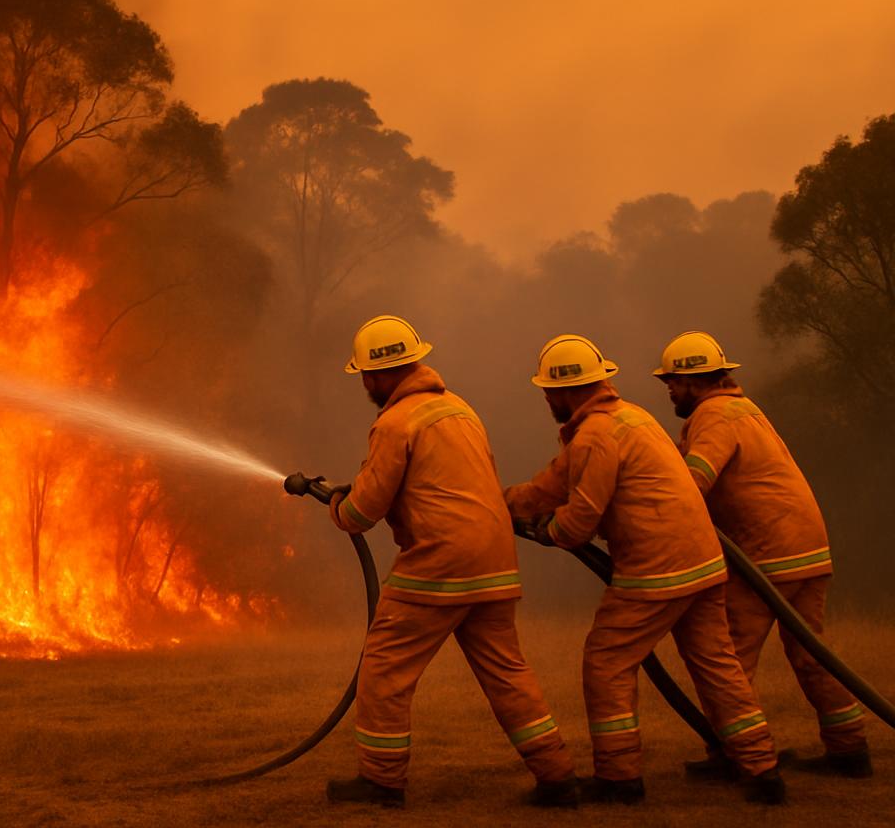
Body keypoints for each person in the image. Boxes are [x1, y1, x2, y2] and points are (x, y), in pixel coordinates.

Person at [505, 334, 785, 805]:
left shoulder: (596, 435)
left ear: (565, 391)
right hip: (702, 562)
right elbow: (548, 484)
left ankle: (619, 778)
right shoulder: (630, 418)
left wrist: (546, 531)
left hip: (658, 568)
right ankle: (761, 770)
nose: (546, 400)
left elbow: (579, 519)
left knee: (607, 661)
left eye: (548, 391)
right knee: (718, 666)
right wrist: (498, 505)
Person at [323, 315, 579, 809]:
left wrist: (339, 504)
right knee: (507, 672)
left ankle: (381, 781)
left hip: (440, 561)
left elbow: (362, 511)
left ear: (378, 375)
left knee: (384, 665)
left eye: (365, 377)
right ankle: (557, 774)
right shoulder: (459, 409)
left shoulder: (396, 422)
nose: (365, 386)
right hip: (495, 558)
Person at [655, 331, 870, 779]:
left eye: (673, 381)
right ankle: (849, 749)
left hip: (766, 556)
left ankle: (737, 755)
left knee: (726, 658)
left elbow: (693, 483)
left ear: (695, 381)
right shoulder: (743, 409)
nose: (669, 390)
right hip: (806, 547)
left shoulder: (713, 416)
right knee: (812, 655)